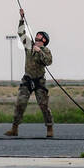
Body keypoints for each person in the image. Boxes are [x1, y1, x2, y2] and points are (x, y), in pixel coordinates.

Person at [4, 8, 54, 138]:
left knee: (43, 105)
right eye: (36, 37)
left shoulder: (46, 50)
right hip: (27, 79)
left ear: (44, 41)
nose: (36, 39)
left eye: (39, 38)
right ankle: (14, 128)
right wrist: (21, 18)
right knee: (20, 103)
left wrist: (40, 52)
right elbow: (21, 33)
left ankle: (49, 128)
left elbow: (48, 62)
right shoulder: (29, 46)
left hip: (39, 81)